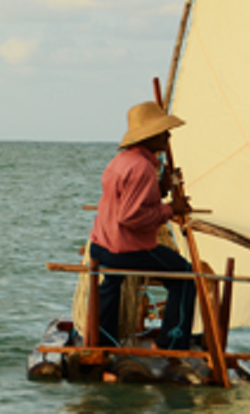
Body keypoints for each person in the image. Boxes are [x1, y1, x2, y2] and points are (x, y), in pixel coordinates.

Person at [89, 101, 196, 350]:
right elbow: (131, 216)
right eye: (162, 131)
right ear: (148, 136)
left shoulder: (122, 161)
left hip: (102, 245)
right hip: (127, 250)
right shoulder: (141, 167)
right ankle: (172, 344)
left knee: (111, 285)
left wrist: (162, 187)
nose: (168, 136)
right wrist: (172, 209)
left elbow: (136, 201)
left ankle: (105, 342)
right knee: (186, 277)